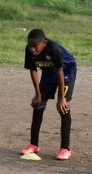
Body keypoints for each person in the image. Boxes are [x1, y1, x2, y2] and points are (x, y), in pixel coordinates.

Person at [21, 29, 77, 160]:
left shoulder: (54, 49)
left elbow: (60, 72)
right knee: (38, 105)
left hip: (66, 73)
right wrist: (37, 94)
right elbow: (33, 70)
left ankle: (65, 149)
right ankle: (33, 144)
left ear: (44, 43)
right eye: (30, 46)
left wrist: (61, 98)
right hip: (48, 72)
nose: (32, 49)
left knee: (63, 108)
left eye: (35, 46)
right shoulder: (29, 51)